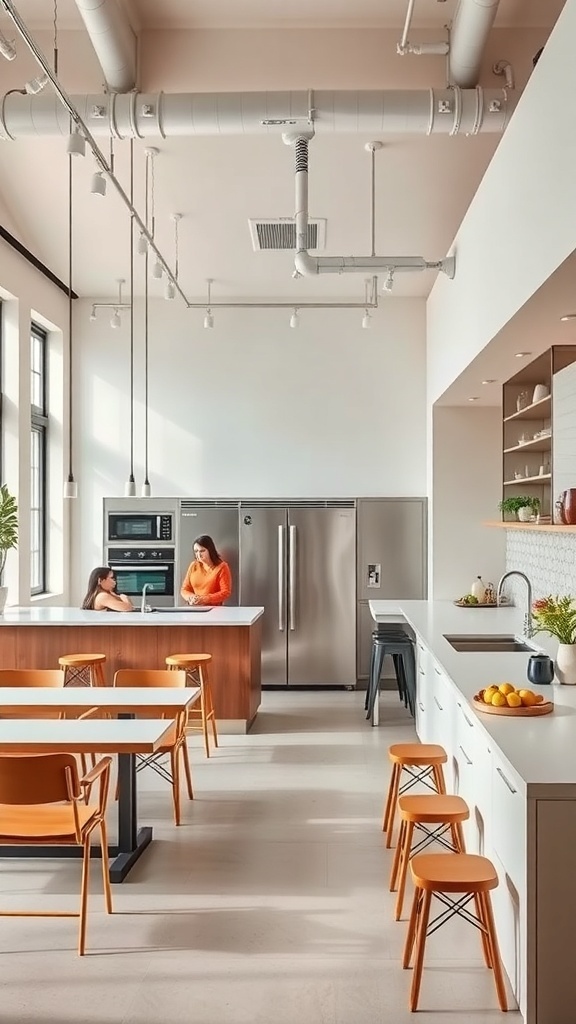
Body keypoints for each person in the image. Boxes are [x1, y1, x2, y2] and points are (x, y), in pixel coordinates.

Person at [180, 535, 232, 607]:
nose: (198, 554)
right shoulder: (193, 565)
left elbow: (225, 592)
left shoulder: (222, 567)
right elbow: (185, 589)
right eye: (196, 551)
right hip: (194, 608)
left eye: (202, 551)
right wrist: (191, 598)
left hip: (215, 610)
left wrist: (205, 599)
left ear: (210, 550)